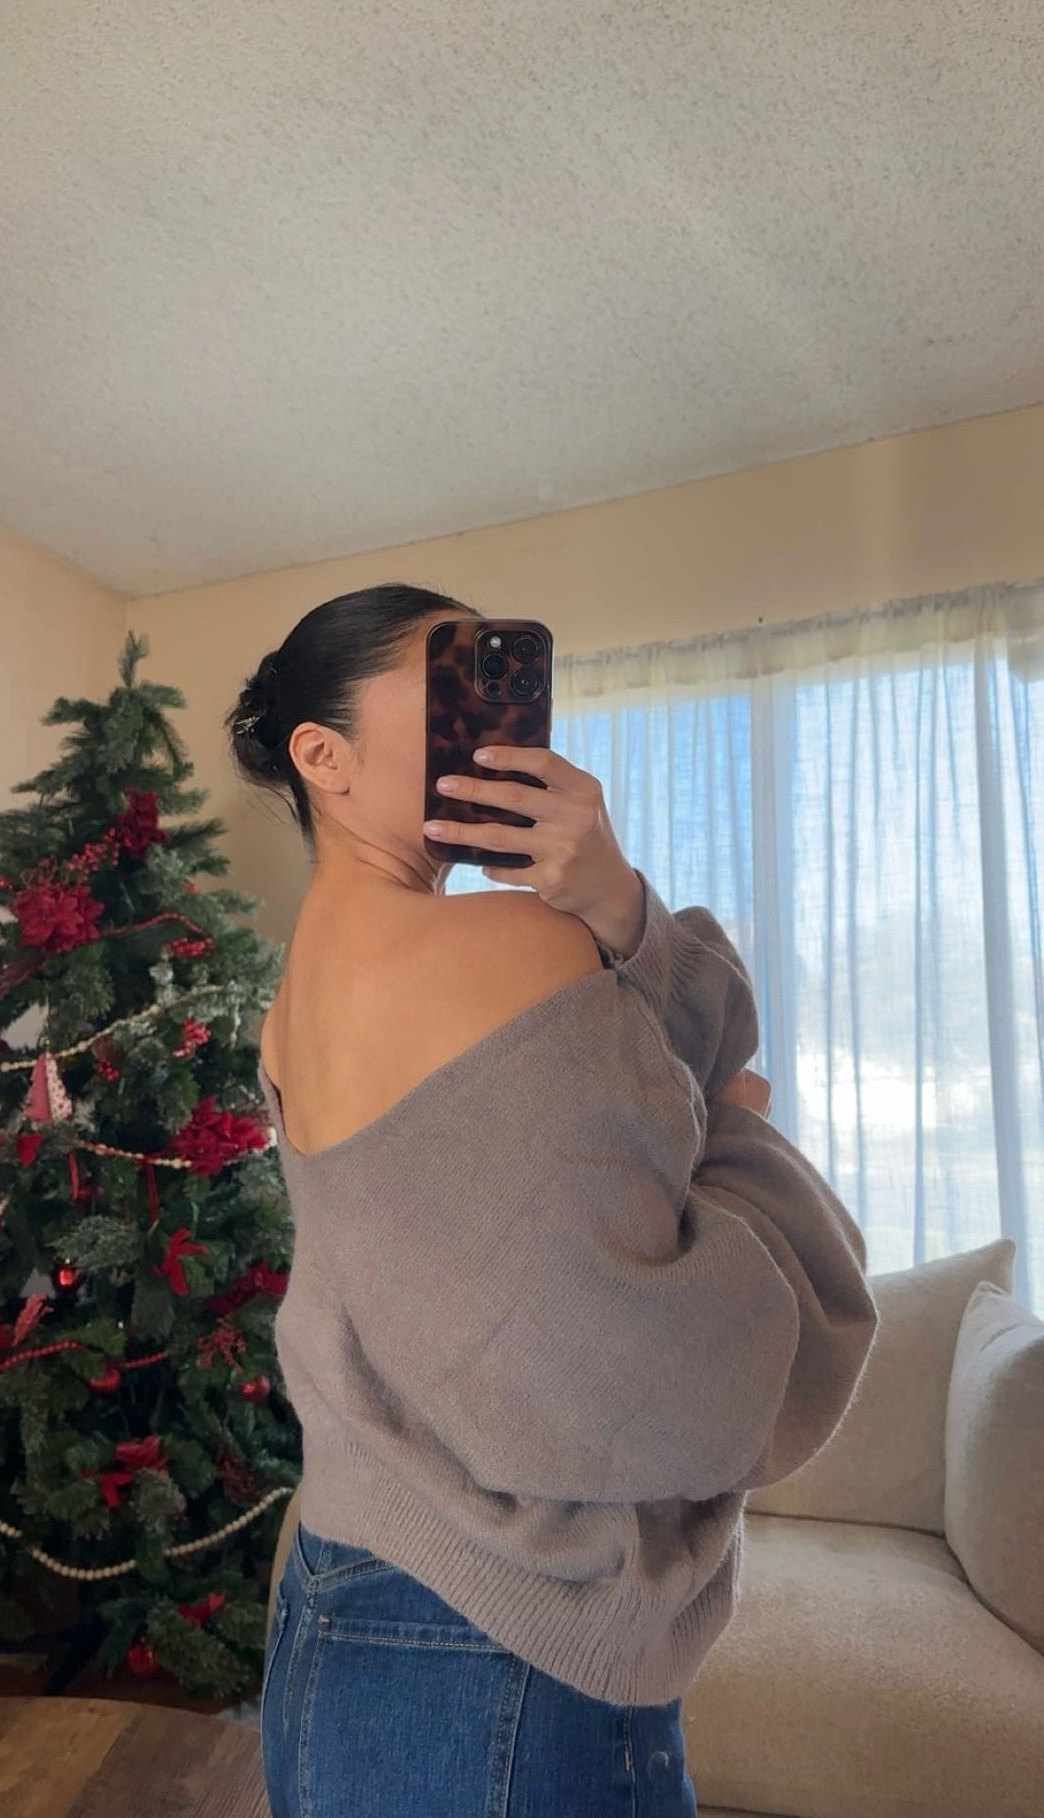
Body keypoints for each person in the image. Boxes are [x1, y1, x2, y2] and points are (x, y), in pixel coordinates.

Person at [228, 582, 877, 1818]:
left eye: (504, 677)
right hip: (501, 1666)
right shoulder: (517, 944)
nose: (497, 713)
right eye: (452, 680)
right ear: (323, 757)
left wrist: (611, 914)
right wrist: (736, 1118)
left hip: (334, 1611)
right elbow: (670, 1362)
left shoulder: (288, 1010)